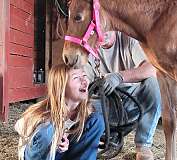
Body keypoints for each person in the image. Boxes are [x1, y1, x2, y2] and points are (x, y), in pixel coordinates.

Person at [84, 31, 162, 160]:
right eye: (98, 30)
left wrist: (119, 77)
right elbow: (86, 86)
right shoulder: (89, 47)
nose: (102, 34)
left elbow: (152, 68)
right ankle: (106, 137)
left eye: (106, 29)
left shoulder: (129, 39)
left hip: (134, 99)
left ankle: (143, 145)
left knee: (154, 84)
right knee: (87, 102)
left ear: (114, 27)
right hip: (105, 101)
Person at [14, 64, 105, 160]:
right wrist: (53, 137)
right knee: (48, 130)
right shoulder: (42, 111)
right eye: (76, 78)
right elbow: (19, 126)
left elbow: (87, 146)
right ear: (62, 86)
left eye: (84, 76)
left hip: (62, 154)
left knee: (97, 120)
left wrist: (65, 142)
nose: (84, 81)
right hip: (37, 155)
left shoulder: (87, 112)